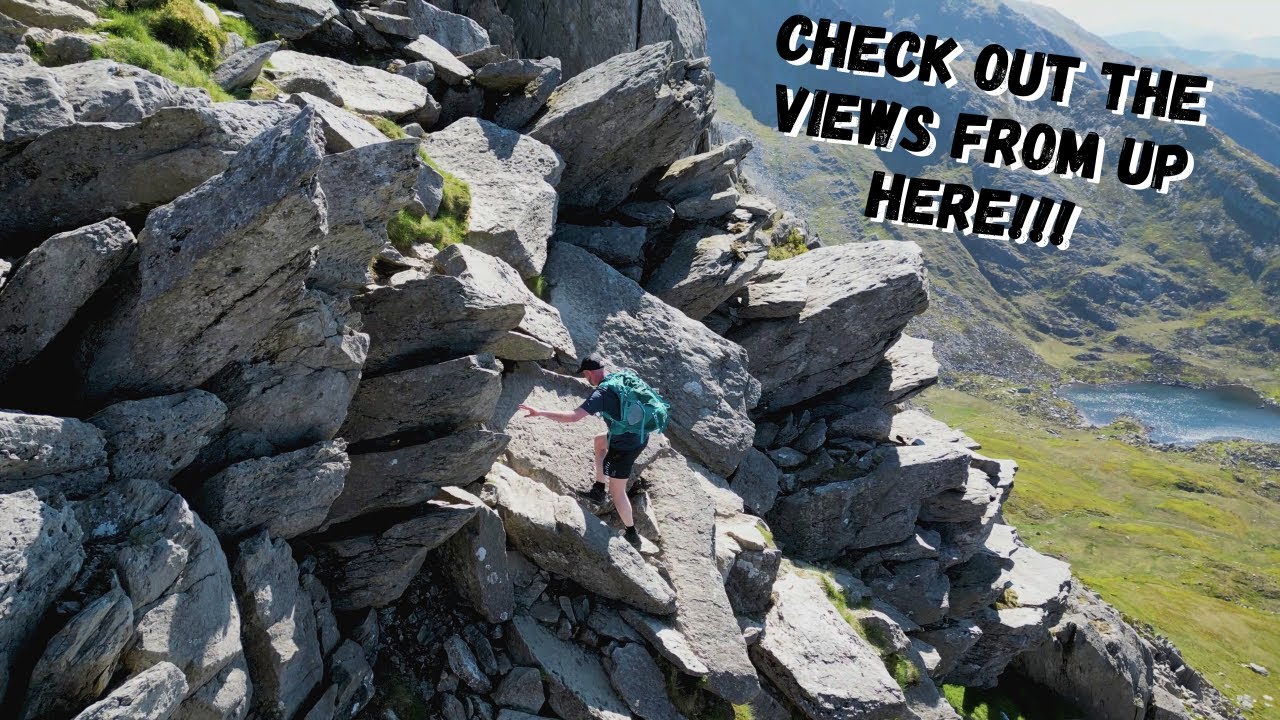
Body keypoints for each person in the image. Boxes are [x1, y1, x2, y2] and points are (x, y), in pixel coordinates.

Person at [517, 356, 655, 550]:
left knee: (617, 492)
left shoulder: (602, 393)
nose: (585, 378)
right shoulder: (619, 379)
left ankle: (632, 534)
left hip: (624, 445)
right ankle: (598, 489)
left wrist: (540, 412)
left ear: (589, 373)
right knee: (599, 441)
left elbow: (573, 417)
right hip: (639, 434)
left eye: (584, 375)